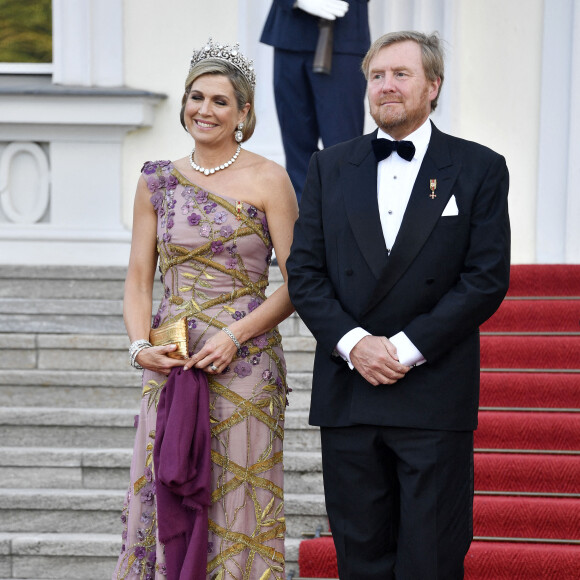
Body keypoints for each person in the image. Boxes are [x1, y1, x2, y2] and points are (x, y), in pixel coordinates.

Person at [286, 31, 510, 579]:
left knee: (431, 561)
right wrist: (356, 344)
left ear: (433, 86)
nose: (386, 86)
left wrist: (404, 350)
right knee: (360, 559)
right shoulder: (329, 168)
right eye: (377, 75)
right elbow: (304, 273)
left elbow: (484, 280)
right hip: (350, 392)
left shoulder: (479, 167)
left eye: (401, 74)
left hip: (434, 394)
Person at [113, 39, 298, 580]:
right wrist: (139, 347)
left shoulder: (270, 178)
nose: (205, 110)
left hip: (244, 366)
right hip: (170, 361)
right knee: (164, 489)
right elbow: (139, 278)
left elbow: (298, 283)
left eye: (220, 101)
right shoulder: (156, 180)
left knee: (238, 500)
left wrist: (236, 336)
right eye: (197, 97)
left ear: (243, 113)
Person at [260, 0, 370, 202]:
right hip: (289, 34)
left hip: (342, 33)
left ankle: (342, 223)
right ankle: (305, 223)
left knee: (343, 148)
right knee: (296, 147)